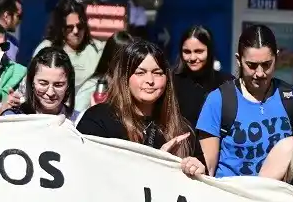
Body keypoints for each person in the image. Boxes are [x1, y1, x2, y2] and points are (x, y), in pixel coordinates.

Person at [196, 24, 293, 177]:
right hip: (230, 196)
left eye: (266, 64)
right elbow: (208, 167)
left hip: (277, 197)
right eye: (252, 65)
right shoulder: (218, 100)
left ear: (277, 57)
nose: (260, 73)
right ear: (239, 60)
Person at [77, 39, 202, 176]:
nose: (150, 80)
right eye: (140, 73)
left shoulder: (181, 130)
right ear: (125, 78)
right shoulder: (98, 120)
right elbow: (86, 172)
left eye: (157, 72)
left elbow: (203, 183)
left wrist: (197, 170)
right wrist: (155, 163)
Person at [172, 25, 231, 129]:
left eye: (199, 51)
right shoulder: (171, 82)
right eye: (187, 52)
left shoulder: (226, 83)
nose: (192, 58)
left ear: (210, 51)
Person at [34, 0, 101, 88]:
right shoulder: (46, 48)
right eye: (69, 27)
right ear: (60, 28)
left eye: (80, 26)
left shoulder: (97, 49)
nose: (76, 31)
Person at [6, 47, 80, 121]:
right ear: (32, 81)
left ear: (68, 85)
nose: (50, 93)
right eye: (43, 84)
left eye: (58, 85)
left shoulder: (78, 122)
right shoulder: (13, 117)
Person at [72, 30, 132, 112]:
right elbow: (76, 114)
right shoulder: (95, 85)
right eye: (123, 60)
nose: (127, 65)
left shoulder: (129, 84)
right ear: (110, 59)